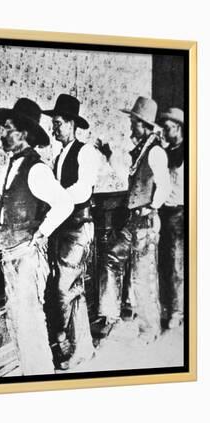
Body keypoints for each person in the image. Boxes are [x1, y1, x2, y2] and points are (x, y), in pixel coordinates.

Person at [0, 98, 74, 375]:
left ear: (24, 133)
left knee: (30, 326)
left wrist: (40, 234)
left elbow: (65, 204)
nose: (2, 133)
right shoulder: (13, 165)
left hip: (26, 258)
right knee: (19, 323)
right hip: (12, 256)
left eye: (7, 128)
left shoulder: (36, 169)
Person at [97, 97, 170, 343]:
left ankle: (150, 329)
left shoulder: (156, 151)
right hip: (132, 221)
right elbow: (130, 178)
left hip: (146, 221)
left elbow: (165, 186)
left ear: (143, 125)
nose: (130, 127)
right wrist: (108, 157)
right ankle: (111, 316)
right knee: (111, 258)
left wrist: (151, 208)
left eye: (133, 122)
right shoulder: (141, 151)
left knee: (144, 275)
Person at [42, 94, 100, 369]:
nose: (54, 129)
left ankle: (64, 341)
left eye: (57, 123)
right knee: (72, 288)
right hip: (63, 229)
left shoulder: (86, 151)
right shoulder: (59, 154)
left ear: (72, 124)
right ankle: (83, 348)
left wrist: (58, 196)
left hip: (78, 228)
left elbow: (83, 188)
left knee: (64, 288)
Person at [158, 107, 185, 329]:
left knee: (178, 264)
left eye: (168, 129)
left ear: (178, 127)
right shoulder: (165, 152)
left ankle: (178, 311)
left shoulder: (191, 151)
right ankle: (169, 307)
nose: (165, 133)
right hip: (166, 212)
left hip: (182, 211)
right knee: (166, 262)